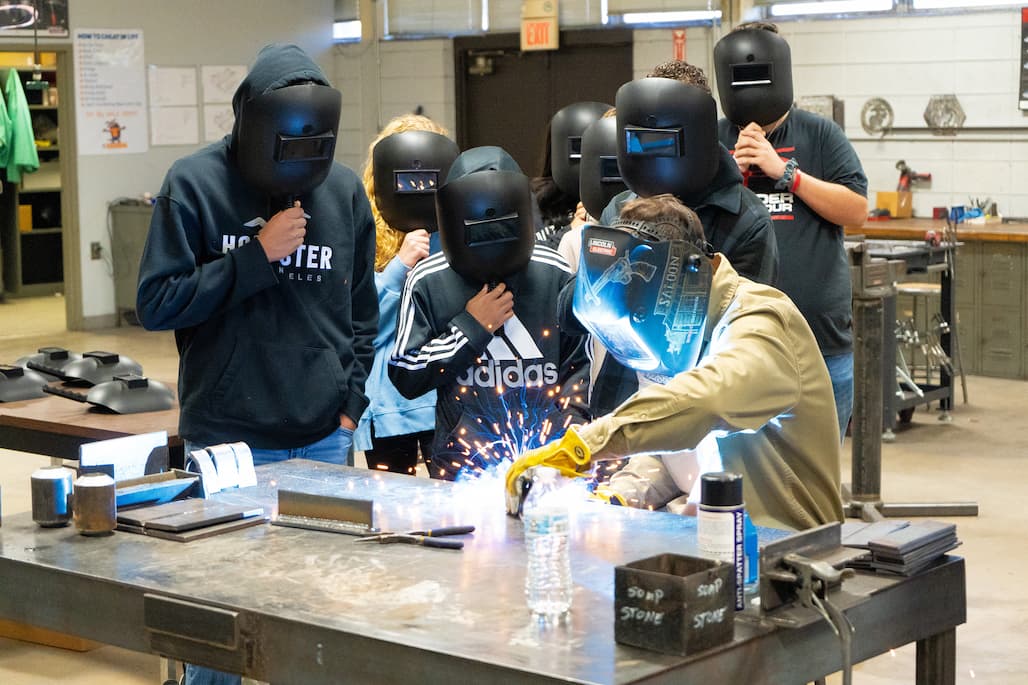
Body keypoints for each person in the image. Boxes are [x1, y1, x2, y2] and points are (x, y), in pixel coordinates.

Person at [137, 45, 378, 683]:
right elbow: (157, 302)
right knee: (217, 627)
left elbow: (361, 314)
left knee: (317, 618)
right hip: (226, 441)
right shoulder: (195, 183)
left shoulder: (345, 190)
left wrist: (350, 407)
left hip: (324, 439)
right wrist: (255, 258)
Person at [506, 193, 844, 531]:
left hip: (788, 546)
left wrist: (586, 445)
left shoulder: (762, 323)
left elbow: (705, 403)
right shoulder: (673, 334)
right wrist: (618, 497)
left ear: (685, 276)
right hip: (717, 539)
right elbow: (672, 450)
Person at [389, 146, 591, 480]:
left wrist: (565, 438)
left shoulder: (554, 271)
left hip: (548, 464)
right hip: (462, 467)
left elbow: (579, 367)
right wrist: (471, 328)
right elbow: (405, 373)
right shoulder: (428, 279)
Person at [588, 75, 779, 416]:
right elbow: (572, 312)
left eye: (662, 140)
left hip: (704, 412)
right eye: (640, 140)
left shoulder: (746, 219)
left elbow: (747, 337)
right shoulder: (619, 208)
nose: (651, 152)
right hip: (622, 402)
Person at [713, 22, 868, 437]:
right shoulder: (713, 140)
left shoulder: (820, 135)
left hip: (821, 338)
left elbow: (856, 210)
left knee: (816, 475)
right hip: (736, 339)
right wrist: (729, 171)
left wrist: (786, 174)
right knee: (738, 472)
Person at [355, 114, 459, 474]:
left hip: (445, 400)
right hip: (388, 412)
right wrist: (399, 267)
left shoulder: (458, 233)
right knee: (395, 513)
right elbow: (362, 325)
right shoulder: (363, 234)